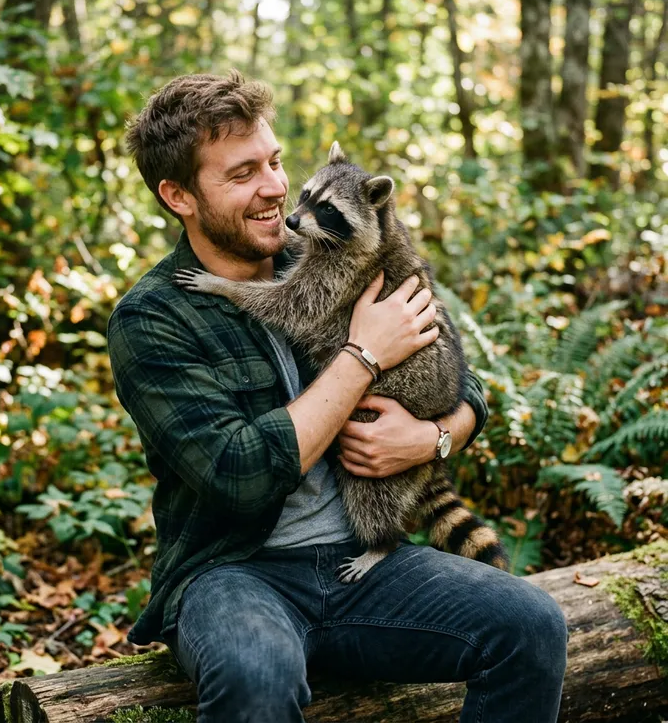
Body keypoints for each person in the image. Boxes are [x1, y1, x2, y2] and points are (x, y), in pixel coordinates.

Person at [107, 71, 567, 723]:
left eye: (274, 161)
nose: (274, 188)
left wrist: (434, 436)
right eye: (242, 175)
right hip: (235, 572)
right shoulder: (154, 317)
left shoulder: (334, 241)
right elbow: (239, 477)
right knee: (255, 677)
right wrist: (363, 355)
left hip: (363, 554)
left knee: (532, 625)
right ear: (178, 195)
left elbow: (465, 379)